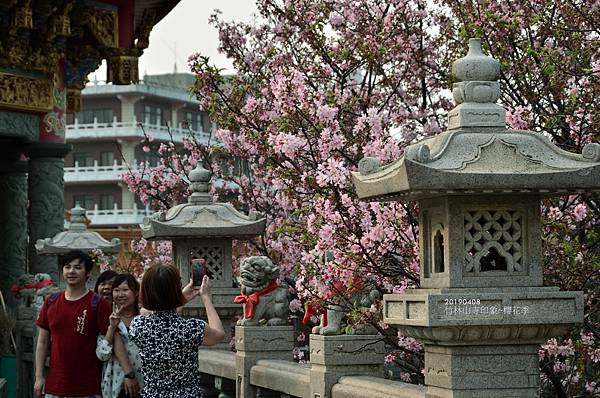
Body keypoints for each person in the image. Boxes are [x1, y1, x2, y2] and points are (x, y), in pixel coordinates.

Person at [129, 265, 225, 397]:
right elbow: (219, 334)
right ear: (176, 290)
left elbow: (155, 312)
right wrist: (206, 298)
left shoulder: (138, 325)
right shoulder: (191, 328)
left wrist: (179, 299)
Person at [34, 250, 111, 398]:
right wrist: (39, 376)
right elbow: (42, 342)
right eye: (68, 267)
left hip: (88, 387)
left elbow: (110, 339)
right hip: (55, 386)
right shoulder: (51, 301)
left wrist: (128, 374)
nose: (71, 271)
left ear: (87, 272)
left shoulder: (98, 303)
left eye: (78, 267)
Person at [97, 273, 143, 397]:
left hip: (143, 385)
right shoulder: (107, 319)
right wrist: (112, 328)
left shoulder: (145, 319)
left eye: (125, 290)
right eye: (116, 290)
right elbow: (102, 354)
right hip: (116, 387)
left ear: (136, 292)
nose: (120, 294)